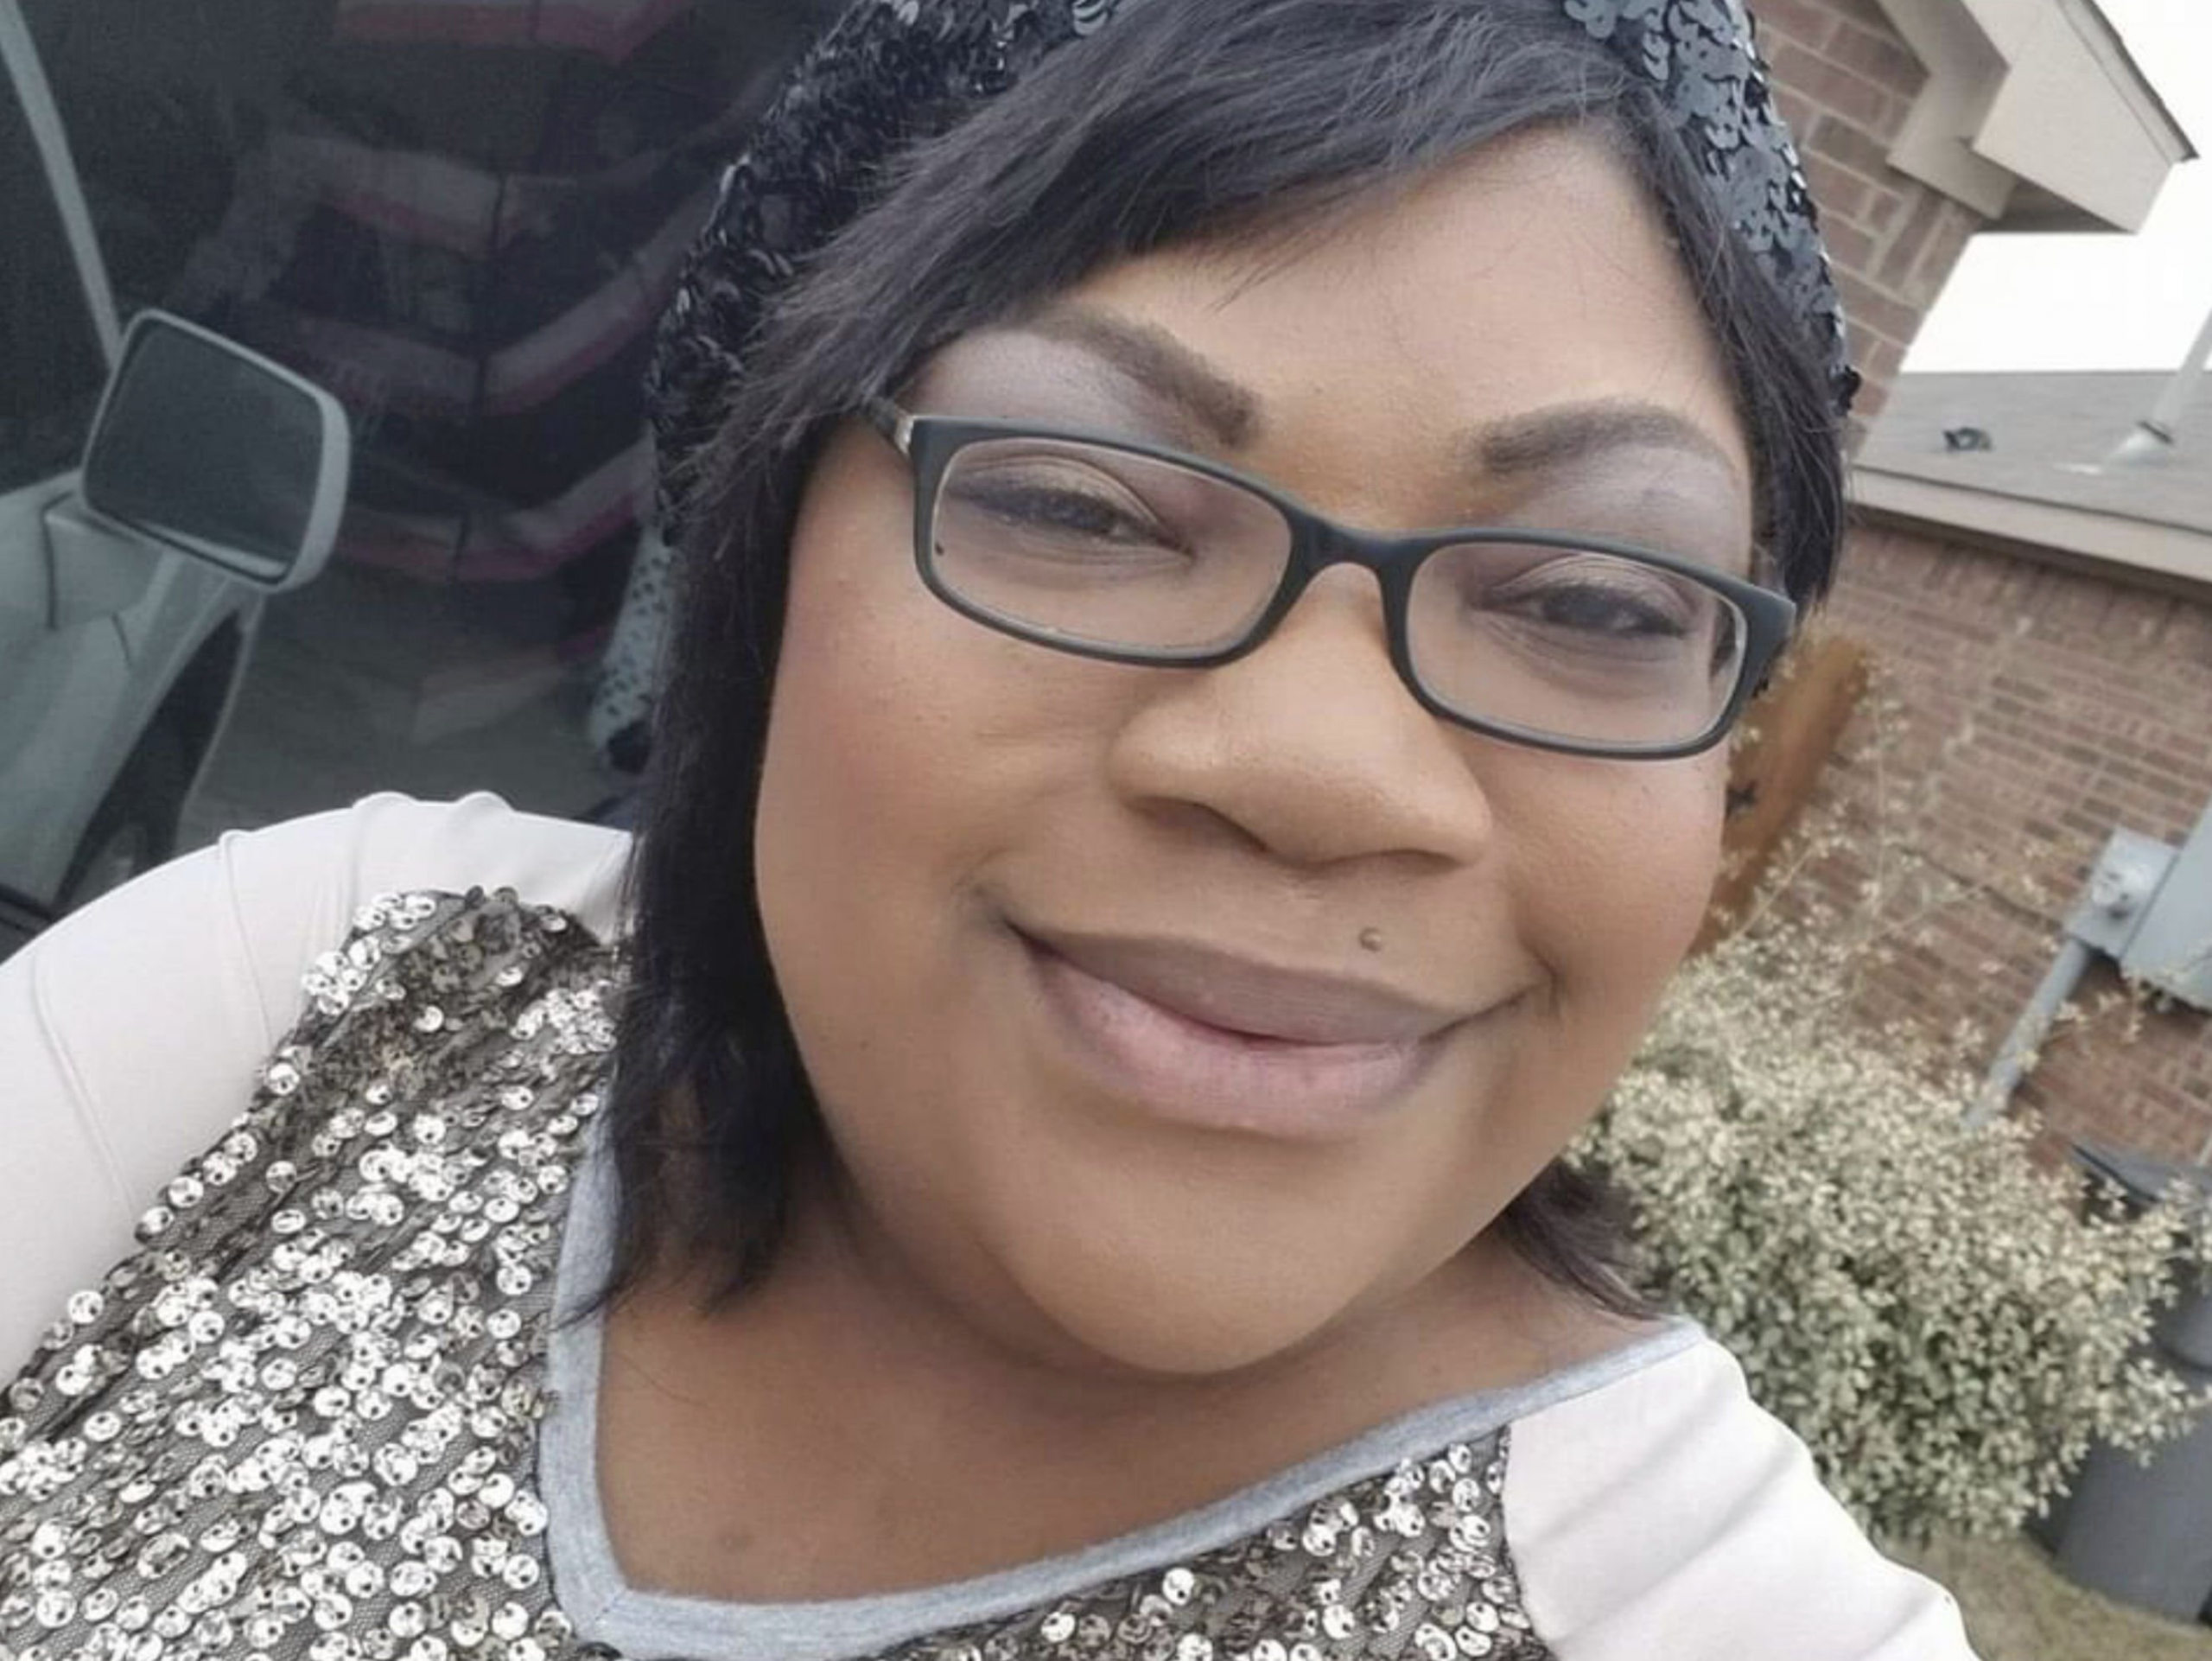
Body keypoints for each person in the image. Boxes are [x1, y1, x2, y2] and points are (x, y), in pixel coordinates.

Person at [0, 2, 1980, 1656]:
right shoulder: (305, 994)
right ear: (763, 561)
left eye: (1588, 606)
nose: (1320, 770)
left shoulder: (1713, 1613)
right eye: (1080, 505)